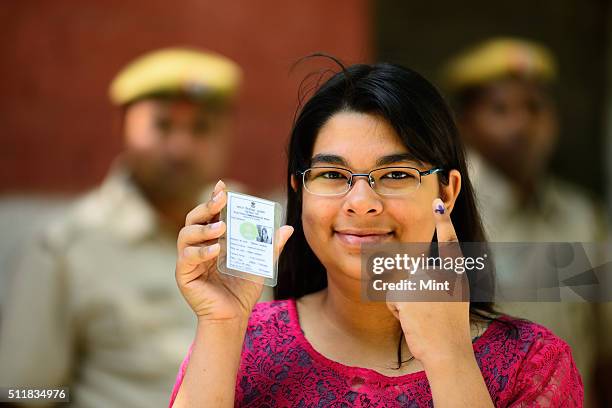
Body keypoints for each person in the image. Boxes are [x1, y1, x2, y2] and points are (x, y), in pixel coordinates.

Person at [169, 61, 583, 407]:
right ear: (299, 192)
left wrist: (450, 358)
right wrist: (221, 325)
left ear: (447, 191)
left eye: (396, 174)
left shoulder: (532, 365)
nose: (361, 202)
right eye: (332, 175)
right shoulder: (243, 341)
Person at [0, 47, 245, 407]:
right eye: (162, 125)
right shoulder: (65, 244)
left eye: (201, 128)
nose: (180, 147)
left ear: (226, 135)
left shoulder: (247, 223)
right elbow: (21, 392)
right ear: (122, 127)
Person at [441, 37, 609, 404]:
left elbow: (603, 349)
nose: (522, 125)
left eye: (535, 107)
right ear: (464, 124)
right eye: (500, 109)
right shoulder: (443, 214)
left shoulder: (583, 218)